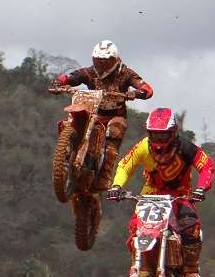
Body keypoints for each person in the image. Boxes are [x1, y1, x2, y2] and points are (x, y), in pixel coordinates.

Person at [107, 107, 215, 277]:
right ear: (149, 133)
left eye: (163, 135)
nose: (159, 139)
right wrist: (116, 186)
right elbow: (125, 165)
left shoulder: (186, 148)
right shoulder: (143, 146)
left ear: (173, 132)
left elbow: (206, 165)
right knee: (136, 229)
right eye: (155, 134)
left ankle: (191, 272)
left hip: (180, 195)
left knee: (190, 225)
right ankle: (142, 265)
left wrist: (201, 188)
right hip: (151, 194)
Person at [50, 40, 154, 190]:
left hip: (115, 115)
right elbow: (72, 77)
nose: (101, 64)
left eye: (105, 61)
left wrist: (137, 93)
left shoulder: (126, 74)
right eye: (98, 60)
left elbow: (147, 88)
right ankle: (66, 152)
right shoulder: (90, 72)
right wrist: (59, 82)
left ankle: (105, 174)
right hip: (93, 112)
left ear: (114, 60)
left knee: (115, 131)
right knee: (71, 121)